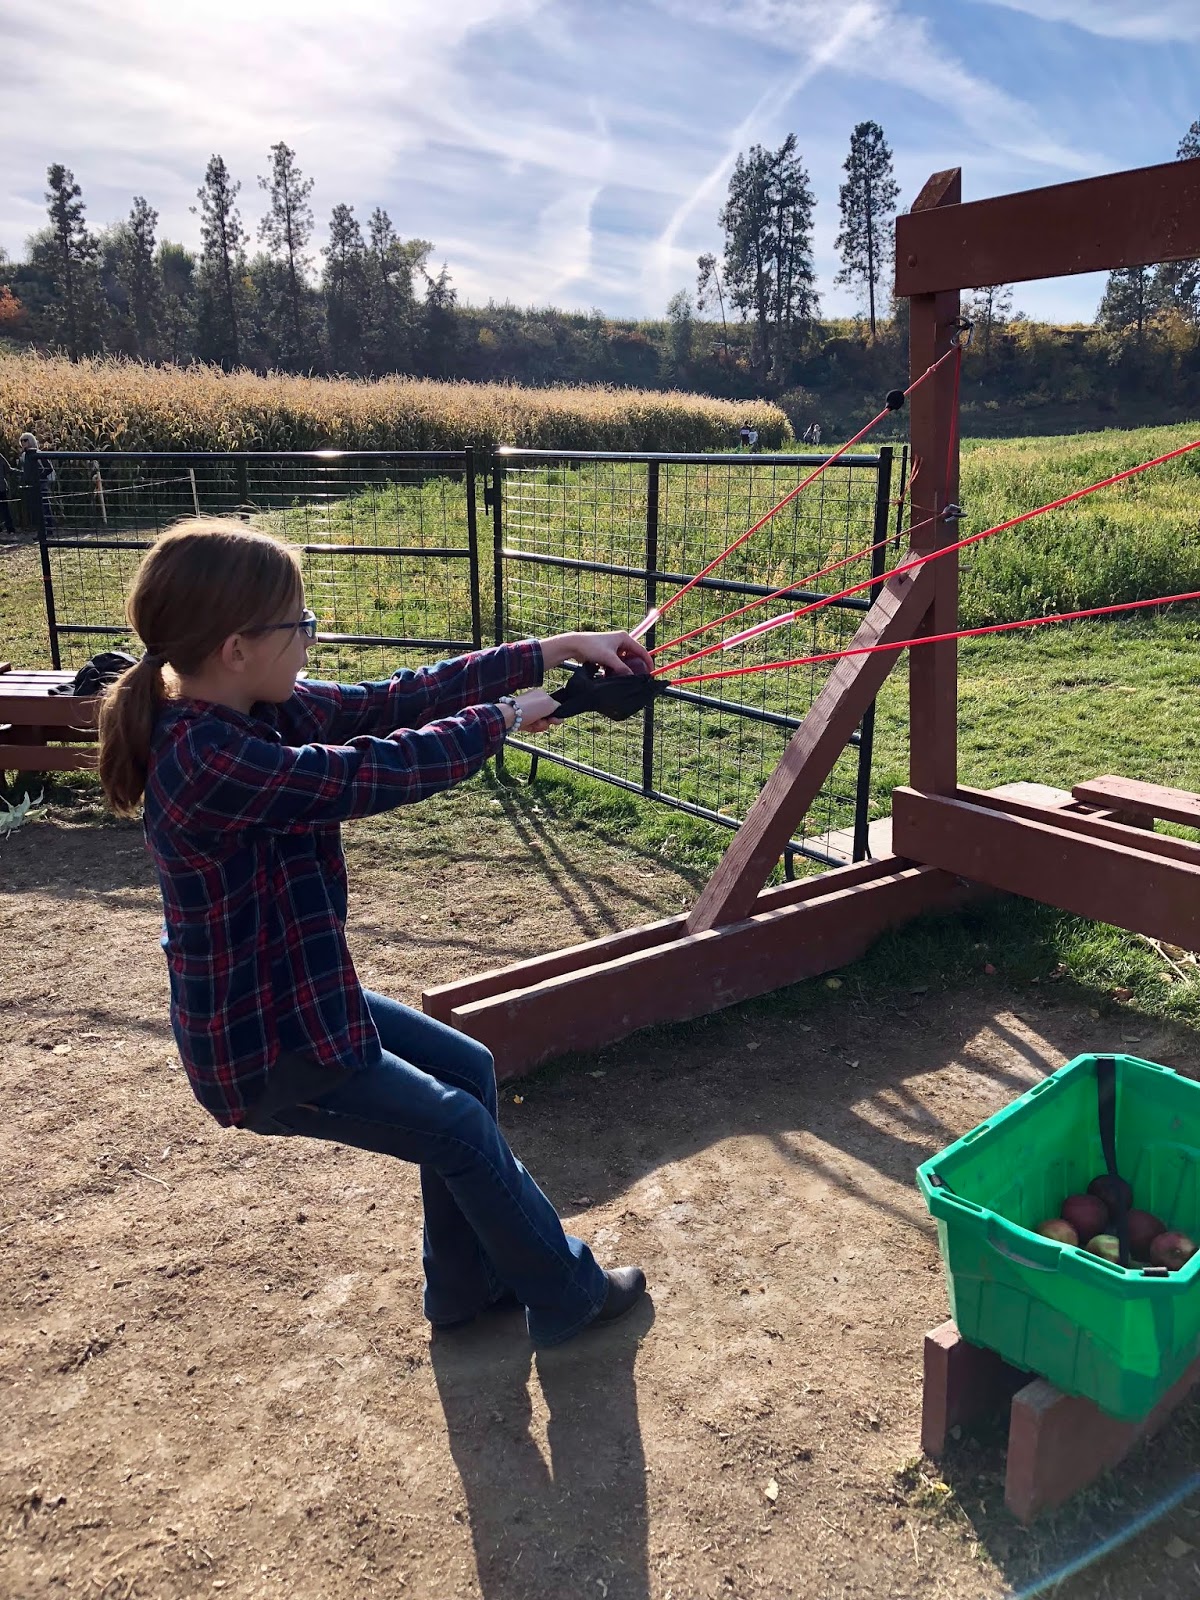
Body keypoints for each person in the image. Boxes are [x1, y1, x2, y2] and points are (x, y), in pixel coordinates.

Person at [96, 517, 649, 1348]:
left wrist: (555, 651)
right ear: (236, 648)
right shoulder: (206, 760)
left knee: (468, 1070)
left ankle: (464, 1289)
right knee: (459, 1128)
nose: (310, 638)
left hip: (306, 998)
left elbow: (391, 700)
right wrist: (502, 718)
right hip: (266, 1045)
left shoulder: (258, 708)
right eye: (300, 623)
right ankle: (568, 1295)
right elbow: (365, 773)